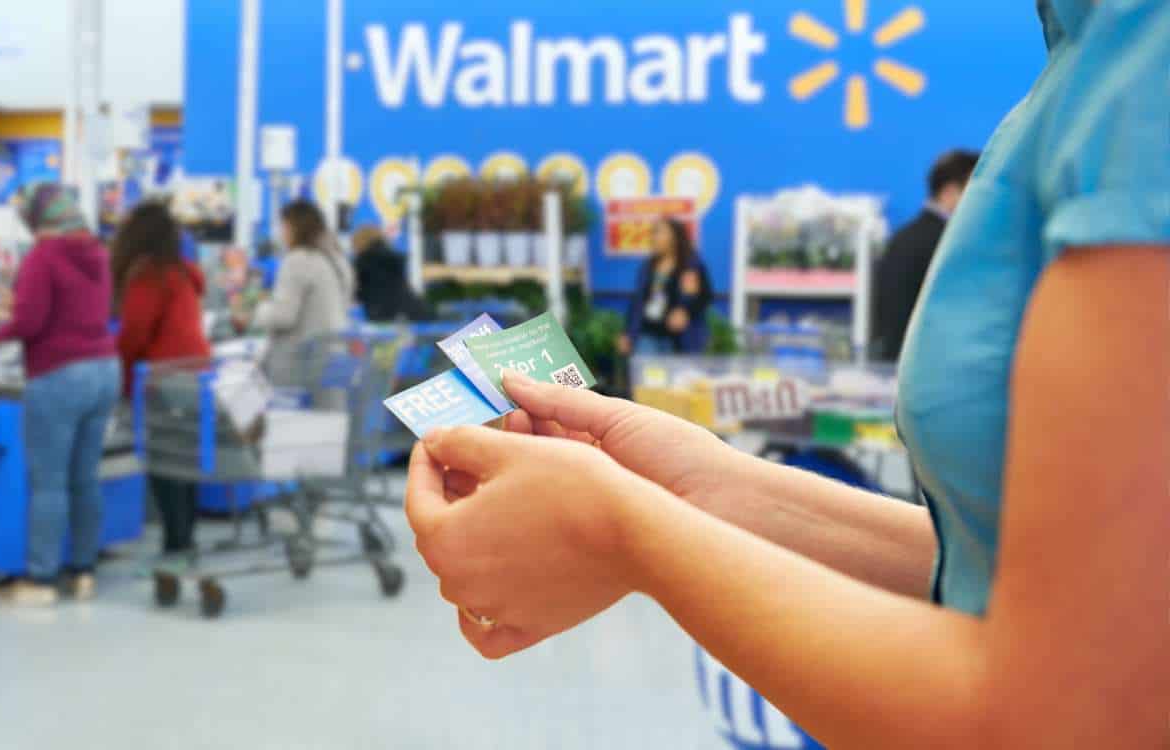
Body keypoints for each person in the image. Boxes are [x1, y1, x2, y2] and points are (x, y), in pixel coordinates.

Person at [404, 2, 1169, 747]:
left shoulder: (1143, 58)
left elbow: (1073, 718)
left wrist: (628, 531)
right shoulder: (1080, 57)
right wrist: (705, 490)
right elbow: (997, 579)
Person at [0, 183, 120, 605]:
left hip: (59, 375)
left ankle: (40, 581)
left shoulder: (42, 256)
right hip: (104, 369)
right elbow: (72, 308)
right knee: (84, 478)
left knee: (49, 483)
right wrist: (18, 309)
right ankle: (84, 571)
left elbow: (31, 324)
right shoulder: (97, 251)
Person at [112, 201, 211, 555]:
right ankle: (184, 539)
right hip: (196, 375)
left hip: (163, 378)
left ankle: (175, 543)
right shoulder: (183, 273)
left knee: (163, 461)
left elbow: (135, 334)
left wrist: (120, 379)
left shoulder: (147, 275)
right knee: (185, 460)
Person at [871, 150, 979, 361]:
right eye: (975, 191)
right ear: (949, 192)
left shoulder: (904, 236)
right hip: (928, 361)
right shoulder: (948, 242)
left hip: (896, 359)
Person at [254, 199, 353, 388]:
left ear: (293, 227)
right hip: (335, 355)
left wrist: (257, 312)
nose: (280, 233)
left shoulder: (297, 260)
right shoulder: (338, 260)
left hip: (301, 362)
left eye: (282, 227)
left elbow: (284, 316)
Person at [618, 217, 713, 356]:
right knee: (646, 376)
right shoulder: (648, 267)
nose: (653, 237)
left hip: (682, 340)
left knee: (681, 377)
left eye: (659, 232)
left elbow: (705, 296)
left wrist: (686, 312)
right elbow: (637, 303)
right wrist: (627, 334)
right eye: (653, 233)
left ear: (674, 237)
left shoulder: (691, 265)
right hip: (648, 336)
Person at [351, 225, 432, 322]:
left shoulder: (363, 262)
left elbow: (358, 292)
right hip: (413, 310)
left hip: (385, 315)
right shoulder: (392, 257)